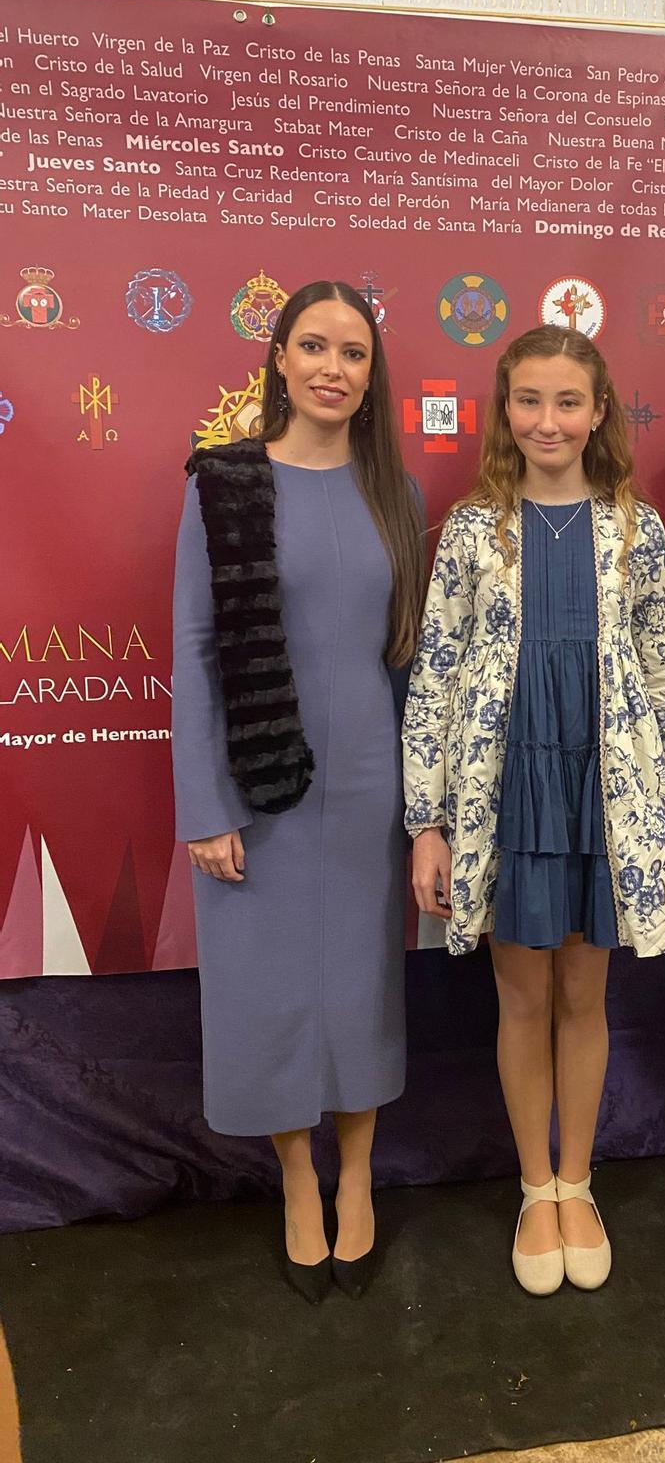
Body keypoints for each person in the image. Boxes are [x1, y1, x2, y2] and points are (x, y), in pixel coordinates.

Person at [403, 325, 665, 1296]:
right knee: (521, 998)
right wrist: (428, 821)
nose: (548, 420)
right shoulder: (472, 527)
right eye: (528, 400)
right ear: (505, 411)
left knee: (587, 996)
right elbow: (436, 677)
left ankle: (580, 1182)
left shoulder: (635, 527)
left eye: (567, 401)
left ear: (599, 411)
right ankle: (534, 1188)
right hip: (505, 797)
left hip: (608, 798)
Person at [171, 280, 425, 1303]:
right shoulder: (223, 484)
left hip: (370, 777)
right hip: (258, 781)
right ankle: (295, 1177)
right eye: (313, 346)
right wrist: (204, 805)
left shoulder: (395, 495)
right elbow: (193, 653)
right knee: (271, 988)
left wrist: (427, 813)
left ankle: (357, 1173)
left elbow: (411, 662)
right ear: (278, 359)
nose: (332, 367)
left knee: (363, 979)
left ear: (372, 374)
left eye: (353, 352)